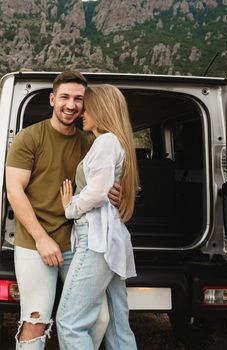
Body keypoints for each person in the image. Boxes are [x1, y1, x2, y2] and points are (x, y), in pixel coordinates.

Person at [5, 71, 120, 350]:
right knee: (36, 319)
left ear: (86, 104)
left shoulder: (90, 143)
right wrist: (41, 238)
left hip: (79, 243)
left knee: (100, 318)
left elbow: (99, 186)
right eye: (65, 97)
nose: (71, 105)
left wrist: (114, 192)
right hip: (35, 242)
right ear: (52, 99)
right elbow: (14, 191)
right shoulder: (29, 137)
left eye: (78, 99)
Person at [57, 84, 139, 350]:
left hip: (96, 239)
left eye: (88, 107)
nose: (82, 112)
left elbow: (97, 193)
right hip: (109, 236)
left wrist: (71, 206)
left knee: (70, 322)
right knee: (117, 325)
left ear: (101, 109)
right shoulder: (112, 141)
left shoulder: (106, 142)